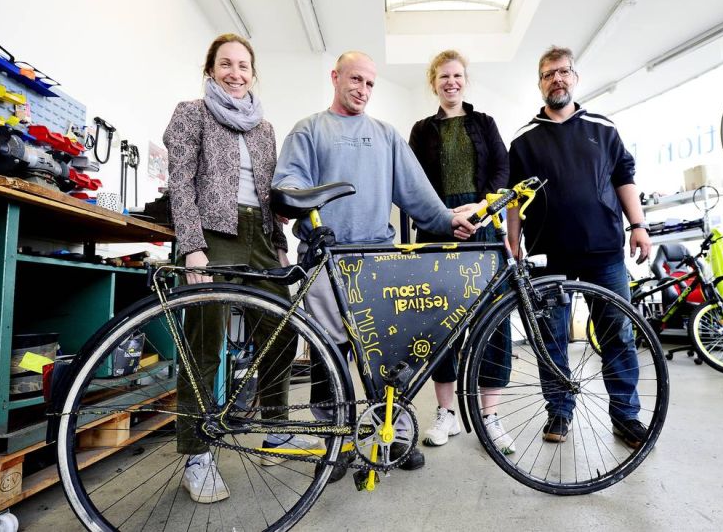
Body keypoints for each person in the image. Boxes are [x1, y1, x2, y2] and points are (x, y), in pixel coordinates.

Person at [272, 51, 477, 480]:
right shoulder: (308, 130)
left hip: (377, 261)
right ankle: (336, 441)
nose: (362, 90)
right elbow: (287, 183)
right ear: (335, 77)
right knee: (331, 355)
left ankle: (395, 435)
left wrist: (446, 220)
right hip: (326, 260)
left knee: (387, 354)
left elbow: (418, 194)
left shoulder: (385, 136)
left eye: (369, 83)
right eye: (355, 80)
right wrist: (303, 212)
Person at [163, 33, 314, 504]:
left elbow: (269, 195)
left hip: (259, 237)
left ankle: (275, 430)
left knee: (282, 329)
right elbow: (181, 182)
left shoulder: (264, 127)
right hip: (213, 233)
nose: (235, 73)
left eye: (243, 66)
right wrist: (191, 247)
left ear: (253, 73)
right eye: (226, 64)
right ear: (210, 70)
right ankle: (197, 454)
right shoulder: (192, 112)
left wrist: (278, 244)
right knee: (204, 341)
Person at [507, 46, 652, 449]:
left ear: (575, 77)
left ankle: (625, 415)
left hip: (603, 249)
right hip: (545, 254)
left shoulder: (603, 128)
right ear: (539, 84)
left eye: (563, 71)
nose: (557, 78)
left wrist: (638, 225)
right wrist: (513, 241)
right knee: (550, 337)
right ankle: (559, 410)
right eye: (548, 73)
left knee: (618, 334)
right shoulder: (523, 141)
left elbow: (625, 177)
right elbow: (515, 198)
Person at [408, 50, 515, 454]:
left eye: (457, 76)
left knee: (494, 324)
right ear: (433, 82)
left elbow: (502, 171)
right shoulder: (421, 130)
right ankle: (446, 414)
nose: (450, 82)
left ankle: (490, 417)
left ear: (464, 80)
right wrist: (444, 216)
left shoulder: (485, 123)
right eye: (443, 76)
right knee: (440, 323)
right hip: (438, 232)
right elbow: (413, 182)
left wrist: (481, 208)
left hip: (484, 231)